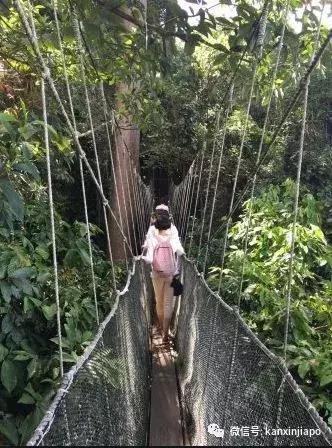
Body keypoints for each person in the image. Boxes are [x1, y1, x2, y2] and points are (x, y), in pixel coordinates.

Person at [142, 213, 184, 343]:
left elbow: (149, 259)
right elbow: (181, 252)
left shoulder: (152, 238)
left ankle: (161, 329)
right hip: (171, 275)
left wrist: (140, 257)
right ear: (169, 226)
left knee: (158, 302)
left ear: (156, 227)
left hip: (156, 275)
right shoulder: (173, 239)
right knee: (168, 305)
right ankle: (166, 333)